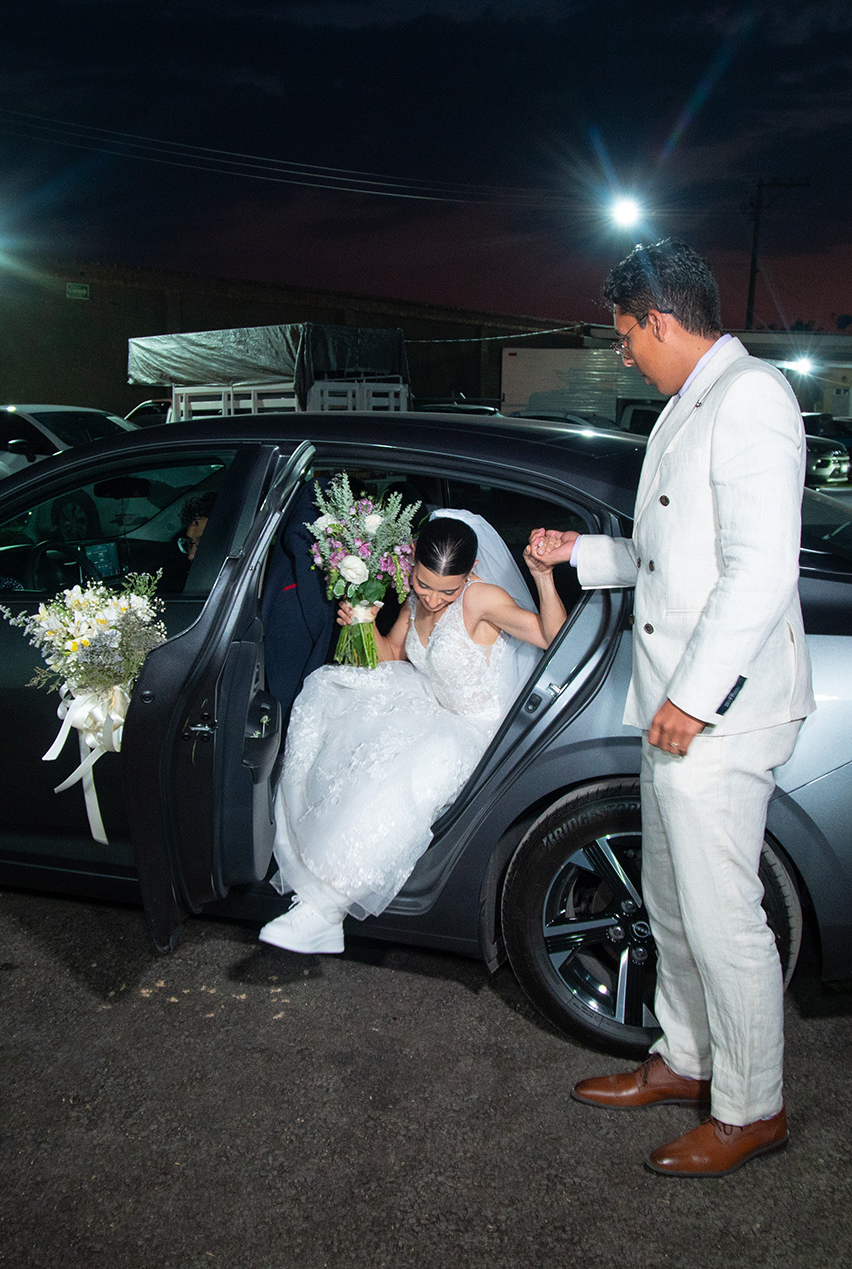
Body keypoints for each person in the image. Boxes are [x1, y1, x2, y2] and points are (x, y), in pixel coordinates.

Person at [529, 238, 814, 1179]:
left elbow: (760, 570)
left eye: (624, 338)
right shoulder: (689, 402)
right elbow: (671, 557)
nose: (623, 356)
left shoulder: (751, 398)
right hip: (675, 705)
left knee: (725, 916)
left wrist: (693, 699)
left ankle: (751, 1107)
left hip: (720, 711)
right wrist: (581, 554)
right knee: (671, 898)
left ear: (657, 320)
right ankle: (686, 1059)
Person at [259, 511, 566, 955]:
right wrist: (363, 621)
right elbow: (392, 655)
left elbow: (553, 639)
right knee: (332, 692)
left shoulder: (482, 599)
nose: (434, 599)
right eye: (424, 584)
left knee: (404, 766)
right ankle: (312, 881)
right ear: (414, 565)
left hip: (476, 730)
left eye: (448, 590)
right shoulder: (416, 596)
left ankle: (326, 908)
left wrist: (543, 577)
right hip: (428, 703)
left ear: (470, 573)